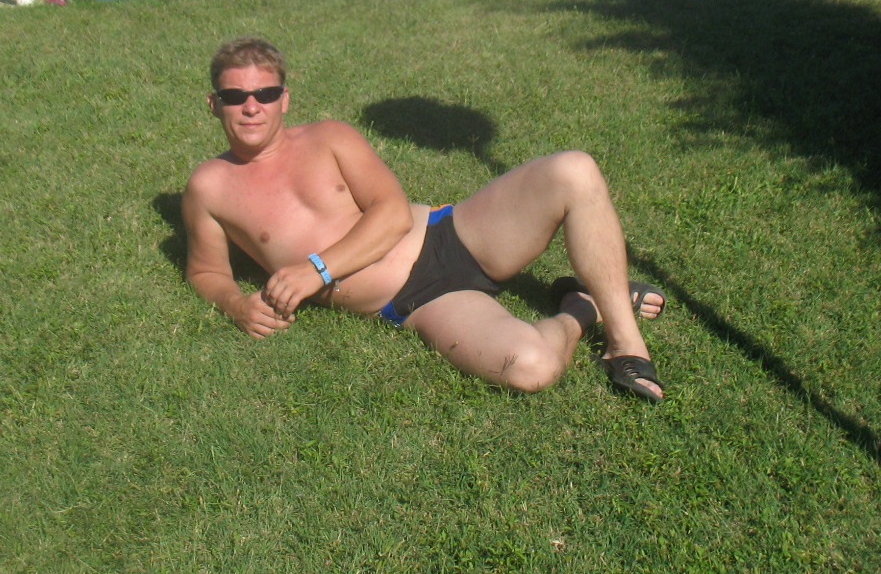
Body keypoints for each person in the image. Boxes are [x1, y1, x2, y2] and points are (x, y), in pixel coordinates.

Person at [182, 38, 667, 401]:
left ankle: (625, 345)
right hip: (419, 301)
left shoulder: (328, 137)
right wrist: (236, 305)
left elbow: (393, 214)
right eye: (235, 96)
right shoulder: (210, 187)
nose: (252, 107)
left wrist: (317, 270)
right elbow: (205, 271)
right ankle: (582, 307)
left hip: (455, 234)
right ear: (213, 104)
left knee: (574, 170)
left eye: (265, 93)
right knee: (531, 368)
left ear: (284, 99)